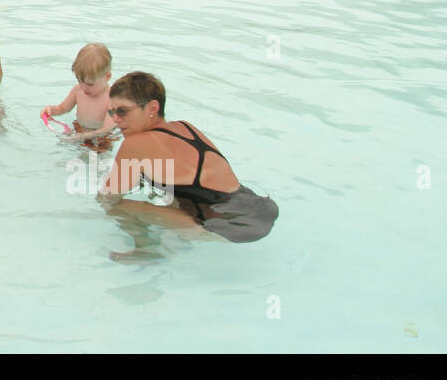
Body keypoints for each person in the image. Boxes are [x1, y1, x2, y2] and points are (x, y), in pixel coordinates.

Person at [97, 72, 278, 248]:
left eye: (122, 111)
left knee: (116, 205)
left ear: (152, 108)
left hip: (229, 227)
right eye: (111, 112)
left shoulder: (135, 143)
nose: (115, 119)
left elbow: (109, 195)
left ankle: (147, 250)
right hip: (259, 209)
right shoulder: (185, 127)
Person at [42, 42, 118, 151]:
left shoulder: (112, 100)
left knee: (99, 155)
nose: (84, 87)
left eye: (90, 84)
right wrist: (51, 110)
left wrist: (83, 137)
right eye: (80, 81)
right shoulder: (78, 90)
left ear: (107, 76)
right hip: (80, 130)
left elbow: (107, 129)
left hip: (102, 137)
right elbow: (63, 108)